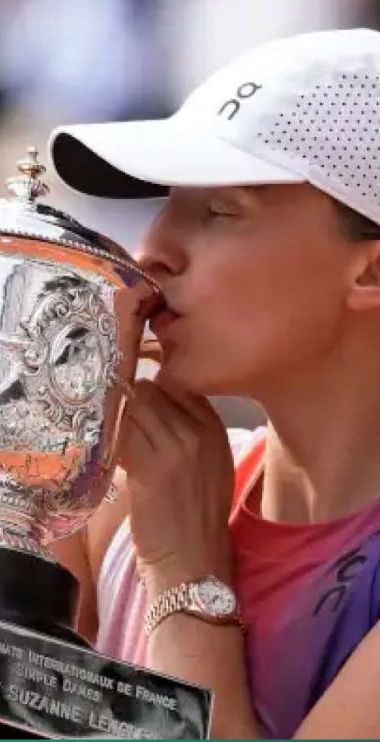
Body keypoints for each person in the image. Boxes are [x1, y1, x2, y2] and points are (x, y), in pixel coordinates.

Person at [45, 28, 380, 740]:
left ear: (371, 271)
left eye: (221, 212)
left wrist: (183, 574)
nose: (151, 251)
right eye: (169, 204)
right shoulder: (123, 500)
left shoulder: (161, 512)